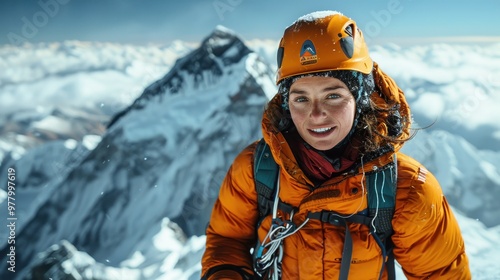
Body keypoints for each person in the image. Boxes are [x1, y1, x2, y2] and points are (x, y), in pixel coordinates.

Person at [201, 10, 471, 280]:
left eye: (333, 95)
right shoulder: (254, 169)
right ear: (286, 103)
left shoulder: (407, 190)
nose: (316, 114)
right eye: (301, 99)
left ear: (361, 98)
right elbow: (226, 239)